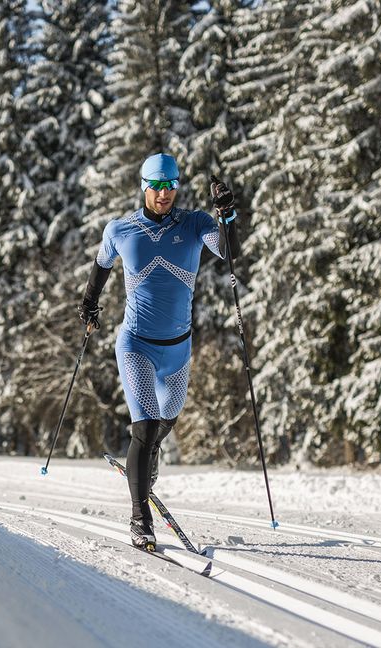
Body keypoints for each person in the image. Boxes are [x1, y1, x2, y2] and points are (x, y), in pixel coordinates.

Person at [78, 153, 239, 550]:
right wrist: (89, 304)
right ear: (144, 186)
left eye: (171, 186)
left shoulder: (196, 223)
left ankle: (147, 458)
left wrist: (227, 215)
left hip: (178, 350)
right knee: (145, 426)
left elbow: (229, 252)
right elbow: (100, 267)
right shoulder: (121, 230)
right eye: (157, 186)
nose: (164, 194)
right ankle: (139, 518)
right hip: (136, 345)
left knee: (166, 420)